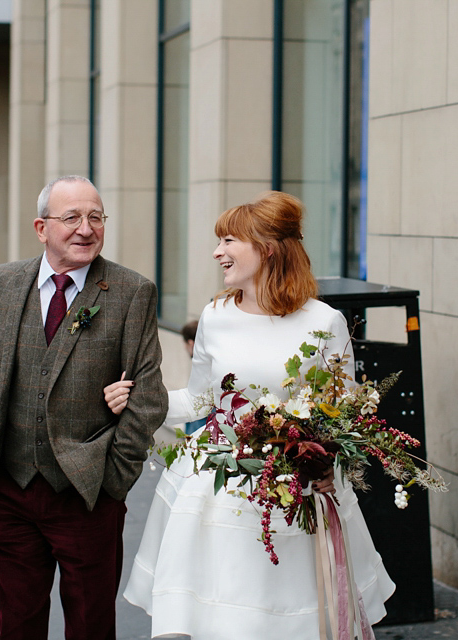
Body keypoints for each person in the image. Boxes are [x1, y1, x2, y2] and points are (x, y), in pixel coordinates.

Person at [104, 192, 395, 639]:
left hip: (294, 493)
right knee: (221, 613)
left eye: (228, 240)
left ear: (268, 248)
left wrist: (328, 466)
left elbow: (347, 416)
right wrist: (141, 399)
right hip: (219, 481)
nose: (218, 252)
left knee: (291, 614)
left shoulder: (326, 321)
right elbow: (202, 402)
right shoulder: (215, 315)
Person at [0, 175, 168, 640]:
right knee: (14, 622)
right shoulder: (0, 281)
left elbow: (148, 399)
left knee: (91, 625)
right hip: (4, 492)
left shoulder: (132, 292)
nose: (85, 228)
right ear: (41, 227)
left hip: (87, 497)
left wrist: (113, 478)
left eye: (95, 217)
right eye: (71, 217)